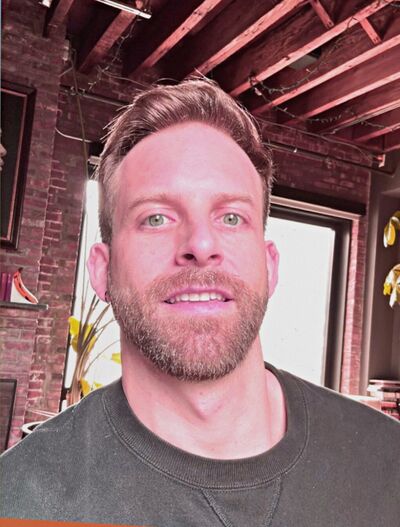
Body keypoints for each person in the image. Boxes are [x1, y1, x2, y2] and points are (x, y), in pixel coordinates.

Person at [1, 78, 399, 526]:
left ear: (270, 266)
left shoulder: (389, 465)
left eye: (231, 217)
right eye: (156, 218)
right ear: (102, 270)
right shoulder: (17, 502)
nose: (201, 244)